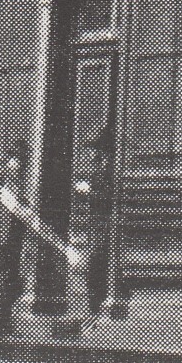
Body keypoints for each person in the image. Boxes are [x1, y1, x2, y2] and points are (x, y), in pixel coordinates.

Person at [0, 142, 31, 337]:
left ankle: (0, 321)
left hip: (11, 238)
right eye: (17, 159)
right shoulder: (9, 182)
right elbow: (6, 211)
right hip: (8, 239)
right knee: (8, 279)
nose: (19, 164)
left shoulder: (9, 181)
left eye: (22, 160)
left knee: (10, 279)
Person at [83, 124, 116, 317]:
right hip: (96, 225)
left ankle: (96, 308)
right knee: (94, 265)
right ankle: (93, 308)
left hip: (103, 225)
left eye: (94, 148)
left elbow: (107, 195)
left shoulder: (108, 166)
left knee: (96, 264)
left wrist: (89, 192)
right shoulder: (99, 166)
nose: (91, 153)